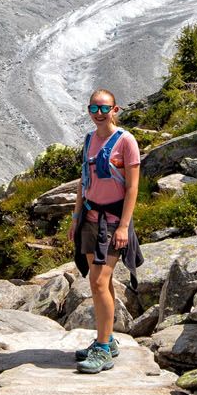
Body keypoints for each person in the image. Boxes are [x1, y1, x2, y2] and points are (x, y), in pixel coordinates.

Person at [68, 88, 142, 374]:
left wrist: (124, 226)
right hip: (89, 215)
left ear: (116, 110)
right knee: (101, 283)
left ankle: (102, 349)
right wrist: (76, 217)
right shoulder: (89, 140)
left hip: (112, 220)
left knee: (99, 282)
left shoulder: (126, 142)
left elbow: (133, 187)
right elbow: (83, 182)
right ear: (89, 110)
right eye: (94, 108)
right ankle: (106, 339)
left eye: (104, 108)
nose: (99, 114)